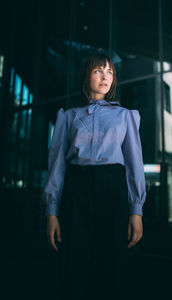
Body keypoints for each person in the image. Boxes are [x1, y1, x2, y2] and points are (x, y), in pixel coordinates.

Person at [42, 53, 146, 300]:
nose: (105, 77)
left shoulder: (125, 116)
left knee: (113, 265)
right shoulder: (68, 116)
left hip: (113, 189)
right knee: (73, 264)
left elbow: (134, 164)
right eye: (99, 71)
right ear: (86, 75)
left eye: (110, 72)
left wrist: (136, 210)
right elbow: (57, 165)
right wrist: (51, 211)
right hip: (76, 190)